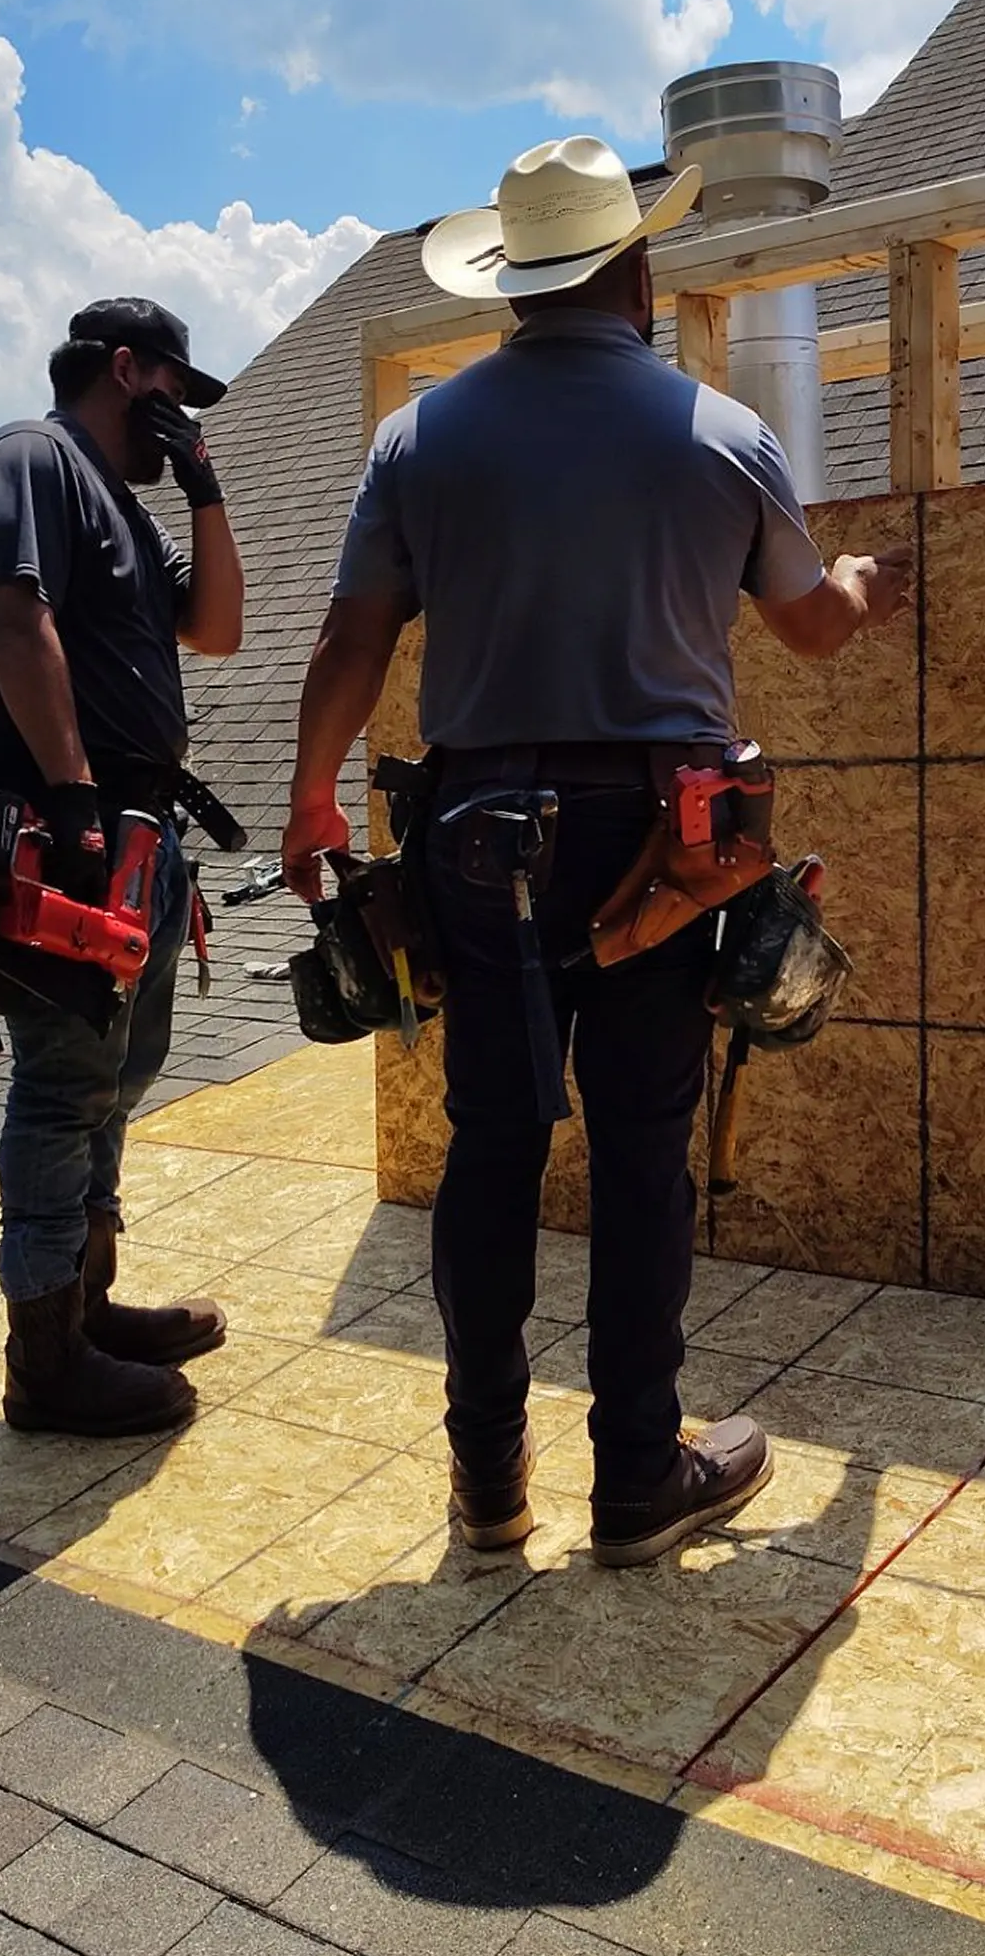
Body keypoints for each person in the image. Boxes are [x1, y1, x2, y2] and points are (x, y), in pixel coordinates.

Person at [283, 136, 912, 1566]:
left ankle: (487, 1484)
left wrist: (313, 794)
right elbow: (812, 626)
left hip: (476, 837)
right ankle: (635, 1472)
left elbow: (353, 636)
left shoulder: (419, 440)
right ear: (638, 270)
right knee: (638, 1149)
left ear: (511, 286)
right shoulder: (719, 434)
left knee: (492, 1145)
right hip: (659, 853)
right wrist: (860, 582)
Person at [0, 295, 245, 1437]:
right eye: (175, 391)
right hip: (67, 828)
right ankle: (46, 1363)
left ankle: (86, 1303)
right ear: (126, 370)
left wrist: (205, 485)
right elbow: (13, 618)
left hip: (140, 838)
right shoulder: (31, 459)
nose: (183, 417)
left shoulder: (124, 506)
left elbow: (215, 628)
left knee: (115, 1080)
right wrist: (72, 795)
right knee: (64, 1084)